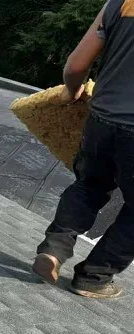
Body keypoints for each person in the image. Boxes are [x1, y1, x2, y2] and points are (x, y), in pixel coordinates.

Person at [33, 0, 134, 299]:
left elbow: (76, 65)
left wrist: (73, 89)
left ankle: (54, 249)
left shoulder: (122, 3)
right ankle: (94, 275)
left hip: (100, 120)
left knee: (88, 185)